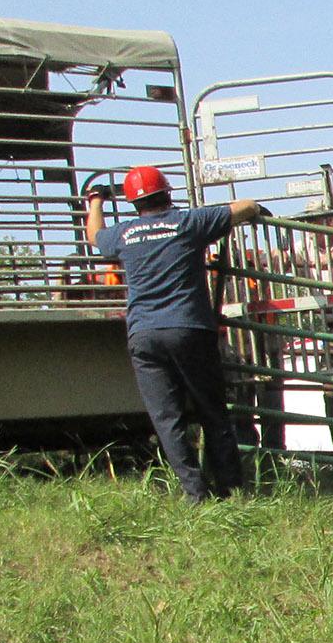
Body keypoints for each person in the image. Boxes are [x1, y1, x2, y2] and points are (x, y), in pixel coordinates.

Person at [87, 165, 266, 501]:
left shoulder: (125, 234)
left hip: (144, 334)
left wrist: (95, 201)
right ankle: (231, 489)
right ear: (167, 194)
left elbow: (95, 236)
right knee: (212, 410)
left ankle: (194, 492)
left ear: (132, 202)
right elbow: (241, 207)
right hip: (189, 329)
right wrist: (255, 209)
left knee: (167, 419)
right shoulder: (187, 223)